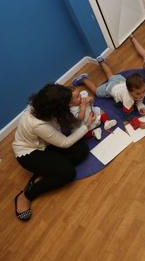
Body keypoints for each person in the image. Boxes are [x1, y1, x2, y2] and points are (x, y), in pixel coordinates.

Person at [12, 84, 94, 221]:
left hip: (46, 144)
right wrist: (87, 126)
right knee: (68, 173)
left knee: (82, 150)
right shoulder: (38, 124)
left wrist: (82, 104)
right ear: (58, 107)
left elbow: (70, 121)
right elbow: (64, 143)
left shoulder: (47, 105)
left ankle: (48, 170)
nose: (70, 103)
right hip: (29, 152)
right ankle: (26, 195)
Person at [72, 57, 145, 129]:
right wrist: (138, 124)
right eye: (138, 94)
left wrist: (140, 106)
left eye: (143, 92)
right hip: (111, 87)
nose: (142, 95)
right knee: (97, 92)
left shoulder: (140, 89)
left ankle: (101, 61)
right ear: (130, 91)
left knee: (111, 76)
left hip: (121, 81)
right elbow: (128, 115)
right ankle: (84, 79)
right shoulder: (128, 99)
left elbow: (139, 99)